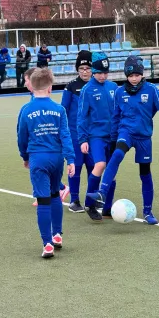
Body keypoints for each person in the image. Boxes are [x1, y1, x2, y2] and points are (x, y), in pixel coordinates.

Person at [86, 55, 159, 225]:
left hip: (143, 138)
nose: (134, 78)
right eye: (130, 75)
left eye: (137, 75)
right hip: (125, 132)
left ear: (142, 74)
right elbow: (115, 117)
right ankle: (102, 193)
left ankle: (148, 212)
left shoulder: (151, 90)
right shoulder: (120, 92)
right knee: (117, 154)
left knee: (145, 173)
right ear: (126, 75)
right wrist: (113, 139)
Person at [17, 67, 75, 258]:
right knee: (54, 195)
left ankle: (47, 244)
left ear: (31, 86)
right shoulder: (59, 110)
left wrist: (25, 156)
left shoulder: (26, 110)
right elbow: (65, 135)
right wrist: (71, 159)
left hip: (38, 158)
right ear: (50, 88)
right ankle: (57, 234)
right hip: (57, 158)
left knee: (42, 200)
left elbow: (22, 137)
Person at [17, 67, 70, 207]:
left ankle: (59, 189)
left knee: (43, 172)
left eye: (26, 80)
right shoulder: (31, 104)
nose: (25, 84)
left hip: (41, 151)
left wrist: (25, 154)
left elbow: (22, 133)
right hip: (50, 153)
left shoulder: (32, 105)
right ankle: (56, 227)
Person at [77, 51, 118, 222]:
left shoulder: (113, 87)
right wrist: (83, 139)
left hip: (112, 137)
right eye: (100, 72)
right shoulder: (87, 90)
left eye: (105, 73)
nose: (103, 76)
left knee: (111, 173)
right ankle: (89, 203)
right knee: (100, 164)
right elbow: (81, 116)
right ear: (93, 71)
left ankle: (107, 208)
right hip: (96, 137)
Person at [61, 50, 94, 213]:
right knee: (77, 166)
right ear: (77, 70)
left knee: (93, 166)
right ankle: (74, 200)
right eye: (82, 69)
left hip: (94, 134)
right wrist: (63, 134)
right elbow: (63, 111)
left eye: (88, 68)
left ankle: (91, 199)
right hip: (75, 135)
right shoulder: (71, 87)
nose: (85, 72)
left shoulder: (97, 85)